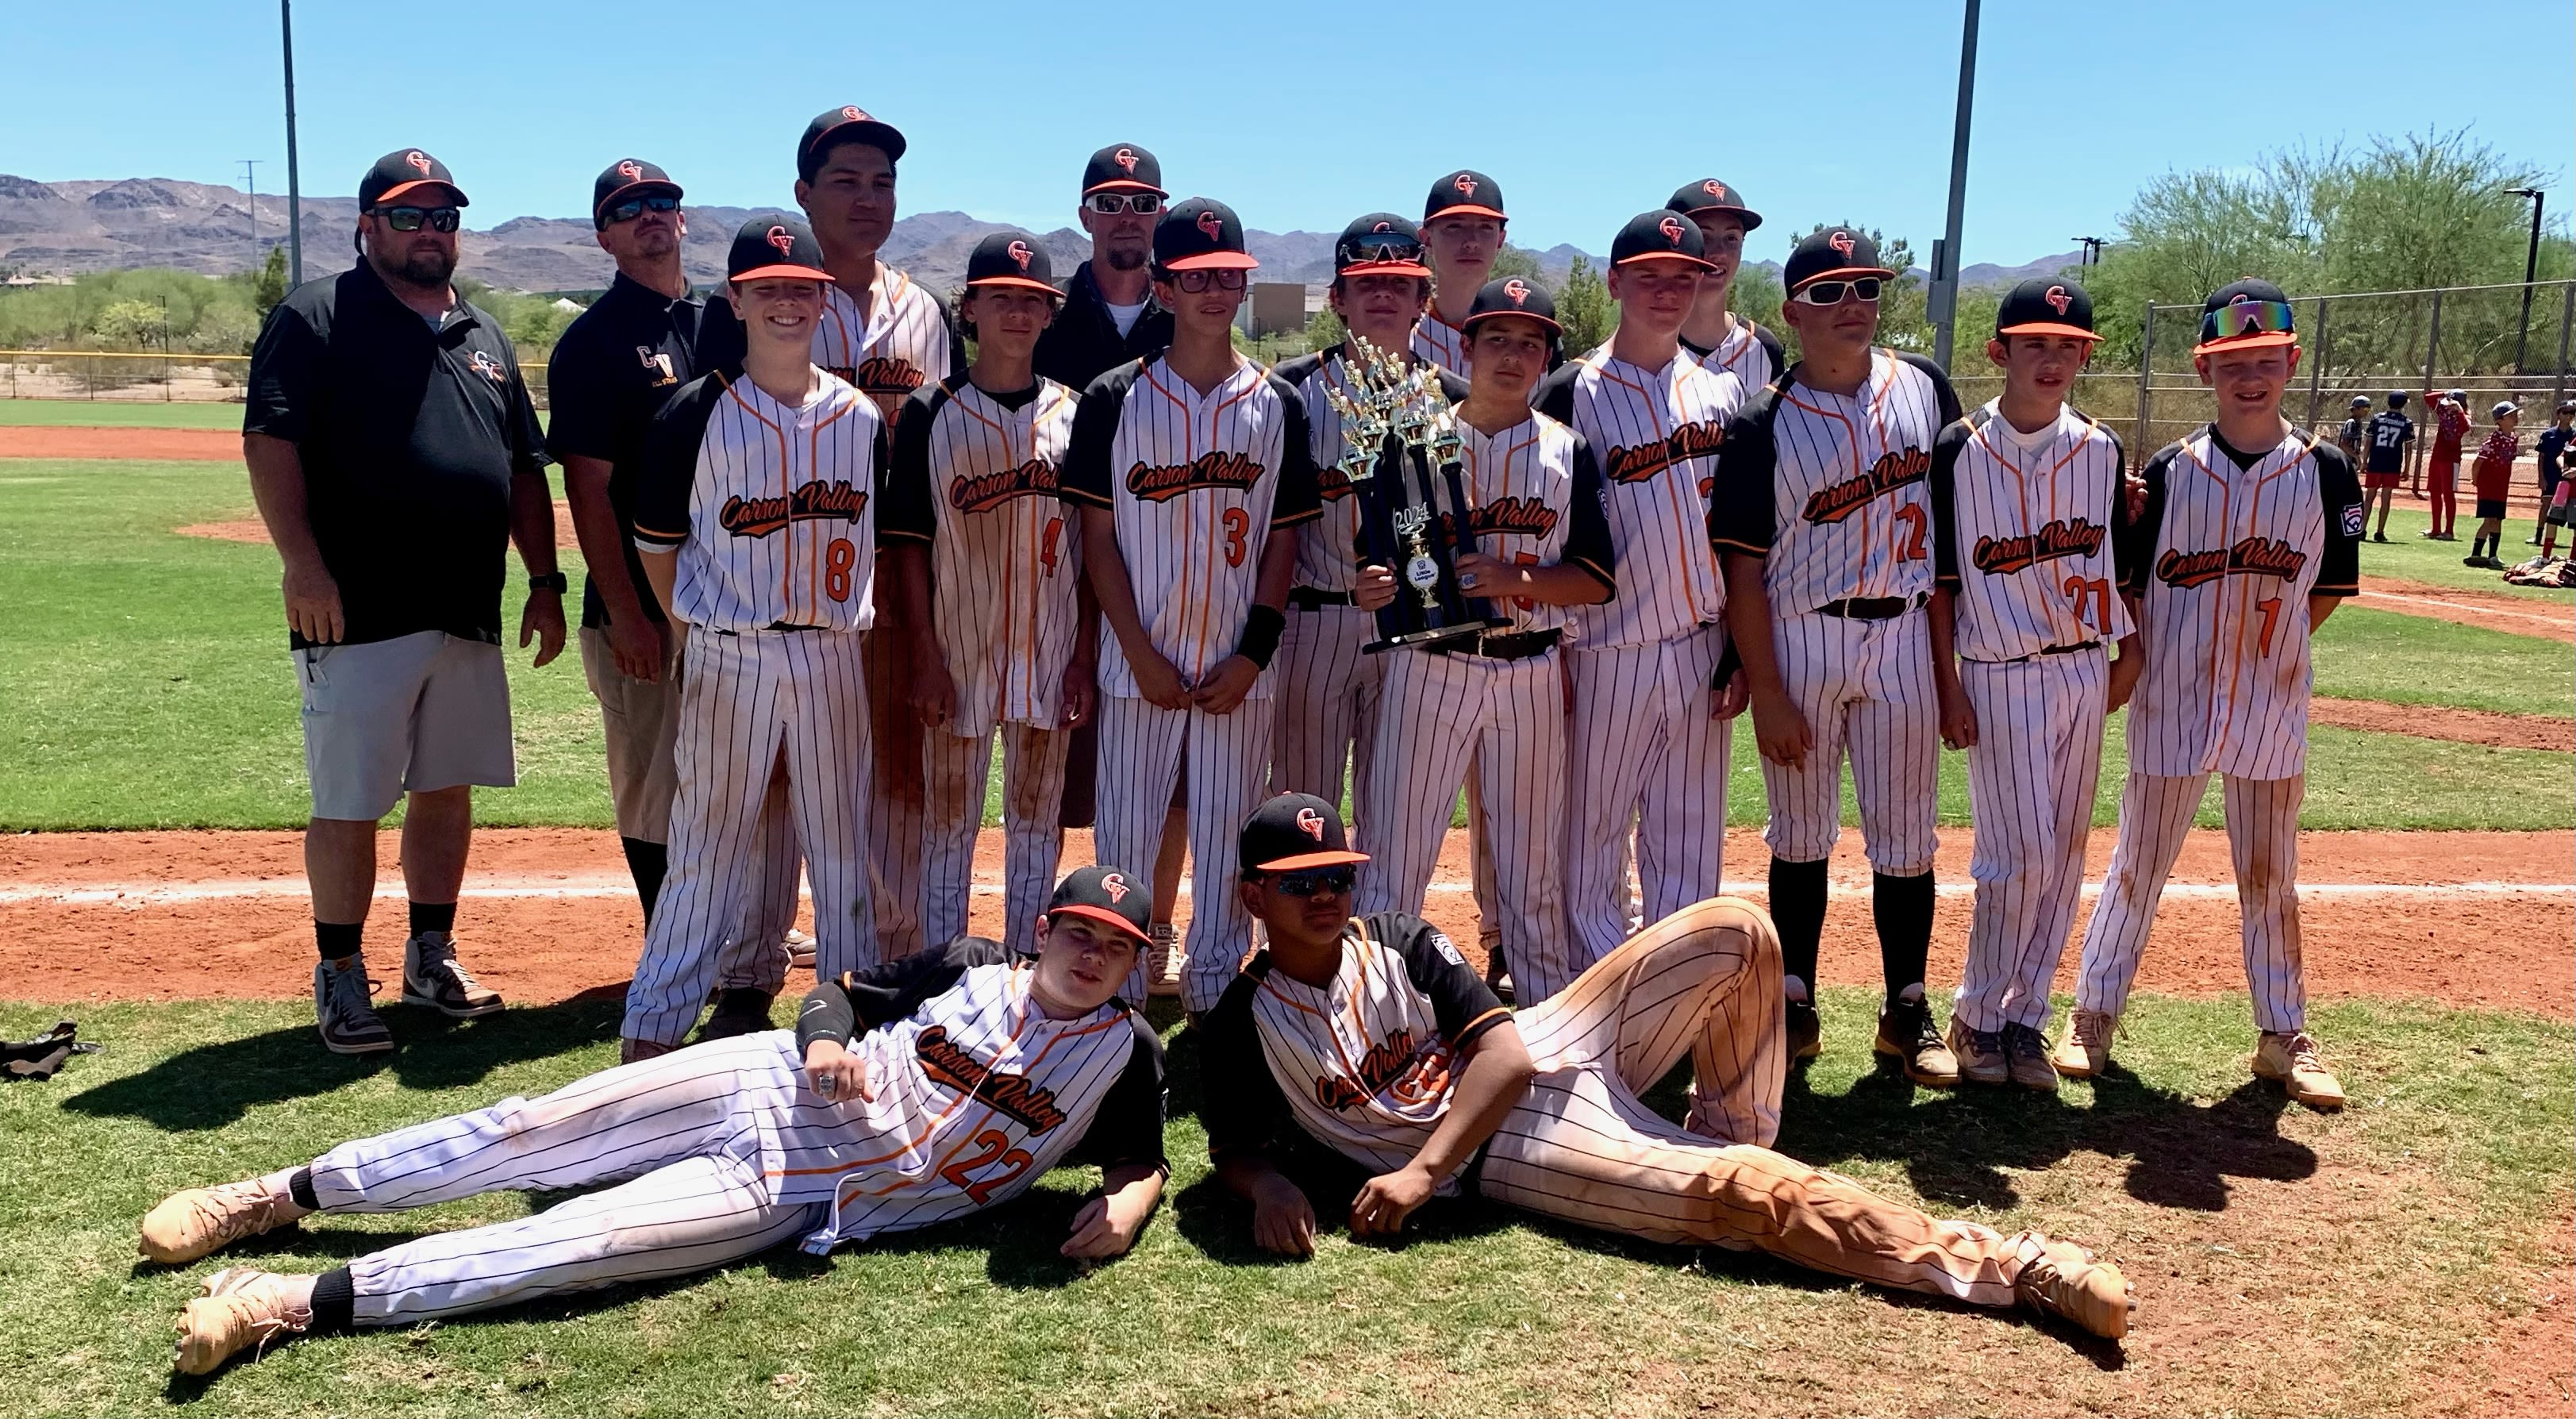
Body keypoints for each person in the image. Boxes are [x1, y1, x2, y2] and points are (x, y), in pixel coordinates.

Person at [145, 865, 1169, 1377]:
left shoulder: (1127, 1054)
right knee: (528, 1126)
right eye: (1079, 933)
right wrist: (819, 1040)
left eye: (1114, 946)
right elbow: (843, 995)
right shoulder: (971, 964)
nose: (1092, 955)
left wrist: (1125, 1209)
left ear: (1133, 964)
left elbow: (1142, 1160)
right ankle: (270, 1197)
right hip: (764, 1079)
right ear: (1044, 929)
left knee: (575, 1240)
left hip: (802, 1190)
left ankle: (288, 1300)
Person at [1196, 794, 2134, 1340]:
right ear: (1252, 896)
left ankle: (1720, 1146)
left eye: (1337, 875)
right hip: (1518, 1147)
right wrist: (1268, 1181)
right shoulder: (1240, 1021)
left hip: (1547, 1044)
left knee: (1738, 930)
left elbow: (1508, 1049)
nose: (1326, 895)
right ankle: (2018, 1266)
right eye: (1299, 882)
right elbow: (1228, 1147)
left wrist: (1415, 1172)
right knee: (1747, 1192)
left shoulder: (1393, 937)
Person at [242, 148, 559, 1056]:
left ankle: (430, 954)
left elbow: (523, 472)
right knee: (349, 799)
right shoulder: (318, 315)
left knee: (445, 790)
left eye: (445, 216)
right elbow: (271, 441)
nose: (432, 232)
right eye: (411, 215)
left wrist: (542, 581)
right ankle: (341, 973)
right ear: (368, 226)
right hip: (355, 607)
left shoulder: (484, 335)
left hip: (466, 604)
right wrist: (303, 566)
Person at [2055, 279, 2362, 1110]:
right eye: (2232, 363)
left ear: (2292, 362)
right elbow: (2134, 590)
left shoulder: (2326, 472)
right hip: (2174, 700)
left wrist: (2275, 651)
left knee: (2272, 876)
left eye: (2265, 360)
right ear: (2204, 369)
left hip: (2271, 703)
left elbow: (2326, 589)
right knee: (2137, 866)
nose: (2250, 376)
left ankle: (2284, 1034)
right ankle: (2091, 1016)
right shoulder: (2168, 474)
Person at [702, 104, 966, 967]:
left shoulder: (924, 315)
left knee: (895, 768)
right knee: (773, 776)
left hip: (895, 576)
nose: (867, 199)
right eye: (845, 181)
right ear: (803, 194)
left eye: (882, 183)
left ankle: (890, 954)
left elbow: (936, 460)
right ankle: (753, 954)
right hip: (774, 582)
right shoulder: (741, 308)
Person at [618, 219, 889, 1059]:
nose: (785, 301)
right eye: (765, 286)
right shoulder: (691, 413)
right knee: (707, 848)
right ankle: (654, 1035)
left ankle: (855, 1033)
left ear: (824, 297)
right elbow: (657, 548)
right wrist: (695, 631)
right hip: (731, 651)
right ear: (733, 299)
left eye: (800, 286)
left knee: (845, 850)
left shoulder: (862, 417)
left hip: (834, 652)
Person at [546, 159, 802, 1040]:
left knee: (749, 780)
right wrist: (624, 609)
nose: (650, 218)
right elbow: (587, 489)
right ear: (604, 234)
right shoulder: (593, 342)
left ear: (684, 221)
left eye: (662, 203)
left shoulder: (723, 320)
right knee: (659, 789)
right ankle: (671, 942)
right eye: (628, 210)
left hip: (738, 603)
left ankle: (739, 947)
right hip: (648, 610)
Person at [1711, 227, 1964, 1085]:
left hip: (1901, 633)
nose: (1852, 305)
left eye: (1866, 288)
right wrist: (1769, 690)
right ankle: (1797, 999)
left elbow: (1976, 491)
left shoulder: (1925, 388)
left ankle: (1907, 1006)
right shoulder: (1762, 422)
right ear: (1792, 312)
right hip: (1803, 633)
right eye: (1828, 293)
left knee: (1906, 840)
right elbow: (1742, 570)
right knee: (1801, 835)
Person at [1060, 197, 1322, 1013]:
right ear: (1165, 288)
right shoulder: (1112, 396)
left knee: (1223, 846)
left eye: (1229, 276)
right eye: (1196, 276)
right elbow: (1096, 540)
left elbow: (1284, 541)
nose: (1215, 289)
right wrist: (1133, 648)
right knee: (1127, 849)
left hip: (1237, 670)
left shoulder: (1276, 403)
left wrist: (1254, 654)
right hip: (1139, 663)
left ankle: (1213, 1006)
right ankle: (1115, 1011)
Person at [1352, 279, 1613, 1001]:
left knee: (1532, 863)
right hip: (1430, 668)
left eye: (1531, 343)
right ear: (1464, 348)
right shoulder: (1413, 444)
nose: (1513, 355)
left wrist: (1514, 575)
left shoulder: (1568, 451)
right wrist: (1372, 587)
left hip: (1529, 668)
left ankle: (1543, 1020)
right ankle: (1378, 1013)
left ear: (1545, 359)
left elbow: (1593, 579)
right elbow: (1376, 562)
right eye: (1497, 338)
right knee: (1397, 856)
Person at [1926, 280, 2140, 1090]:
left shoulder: (2102, 449)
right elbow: (1942, 581)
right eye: (2034, 344)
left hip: (2082, 665)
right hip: (1997, 670)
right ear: (2000, 353)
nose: (2052, 360)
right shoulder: (1958, 446)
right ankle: (1977, 1014)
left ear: (2084, 356)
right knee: (2015, 856)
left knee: (2061, 858)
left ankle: (2025, 1021)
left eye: (2067, 346)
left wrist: (2129, 657)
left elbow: (2121, 569)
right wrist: (1949, 686)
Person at [1533, 213, 1744, 997]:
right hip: (1603, 651)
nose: (1666, 291)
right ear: (1614, 282)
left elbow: (1739, 536)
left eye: (1682, 276)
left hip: (1699, 644)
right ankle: (1601, 999)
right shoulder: (1570, 393)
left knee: (1689, 841)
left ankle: (1674, 1002)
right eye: (1648, 275)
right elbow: (1544, 534)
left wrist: (1737, 649)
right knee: (1588, 838)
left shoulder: (1722, 392)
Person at [883, 233, 1096, 956]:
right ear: (968, 310)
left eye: (1031, 300)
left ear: (1049, 313)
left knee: (1038, 820)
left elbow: (1095, 549)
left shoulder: (1077, 413)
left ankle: (1027, 967)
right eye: (999, 297)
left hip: (1051, 645)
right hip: (958, 647)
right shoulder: (928, 412)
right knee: (949, 820)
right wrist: (923, 654)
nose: (1016, 311)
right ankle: (946, 974)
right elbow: (908, 544)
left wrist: (1083, 657)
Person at [1031, 142, 1188, 991]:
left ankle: (1150, 931)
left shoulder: (1188, 313)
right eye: (1112, 200)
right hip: (1051, 569)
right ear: (1086, 213)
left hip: (1160, 577)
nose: (1129, 215)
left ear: (1159, 215)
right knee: (1055, 762)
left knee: (1161, 777)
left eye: (1143, 201)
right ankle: (1046, 932)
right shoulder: (1048, 315)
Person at [1267, 216, 1446, 858]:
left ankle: (1383, 948)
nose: (1382, 296)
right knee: (1300, 806)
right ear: (1338, 298)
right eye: (1365, 282)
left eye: (1400, 284)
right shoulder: (1286, 391)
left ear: (1424, 301)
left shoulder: (1450, 399)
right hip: (1315, 621)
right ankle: (1287, 952)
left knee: (1396, 808)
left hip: (1415, 630)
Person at [1666, 179, 1786, 390]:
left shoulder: (1763, 349)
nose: (1719, 253)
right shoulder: (1645, 346)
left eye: (1731, 238)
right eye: (1703, 237)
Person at [1409, 169, 1507, 375]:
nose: (1471, 241)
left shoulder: (1531, 340)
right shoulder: (1400, 341)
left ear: (1500, 239)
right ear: (1426, 239)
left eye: (1485, 228)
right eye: (1454, 227)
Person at [2464, 402, 2521, 568]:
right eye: (2510, 415)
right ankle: (2475, 554)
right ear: (2499, 420)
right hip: (2489, 486)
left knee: (2497, 520)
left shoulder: (2512, 439)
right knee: (2489, 521)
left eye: (2514, 414)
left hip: (2502, 487)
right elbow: (2478, 463)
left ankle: (2493, 556)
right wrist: (2475, 480)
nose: (2514, 418)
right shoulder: (2493, 440)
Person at [2360, 390, 2414, 542]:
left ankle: (2362, 530)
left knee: (2369, 498)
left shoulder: (2377, 419)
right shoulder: (2406, 422)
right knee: (2386, 498)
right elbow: (2409, 449)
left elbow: (2369, 442)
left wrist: (2365, 461)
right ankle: (2379, 532)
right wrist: (2407, 469)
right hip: (2393, 464)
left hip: (2376, 462)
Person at [2420, 386, 2469, 540]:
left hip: (2451, 459)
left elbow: (2466, 426)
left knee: (2448, 494)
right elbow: (2428, 397)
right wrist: (2444, 394)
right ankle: (2436, 529)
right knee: (2434, 492)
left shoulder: (2464, 415)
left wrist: (2460, 410)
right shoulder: (2443, 411)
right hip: (2437, 457)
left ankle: (2449, 531)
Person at [2535, 401, 2575, 548]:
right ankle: (2538, 535)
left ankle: (2556, 539)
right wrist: (2541, 477)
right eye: (2565, 412)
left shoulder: (2574, 435)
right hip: (2550, 475)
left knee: (2563, 507)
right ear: (2558, 414)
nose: (2569, 416)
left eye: (2572, 413)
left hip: (2567, 478)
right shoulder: (2548, 434)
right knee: (2546, 505)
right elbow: (2541, 457)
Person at [2335, 393, 2370, 466]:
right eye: (2365, 409)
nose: (2367, 412)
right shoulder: (2351, 423)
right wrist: (2356, 457)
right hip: (2346, 460)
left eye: (2368, 409)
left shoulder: (2358, 423)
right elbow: (2344, 445)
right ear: (2356, 409)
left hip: (2351, 460)